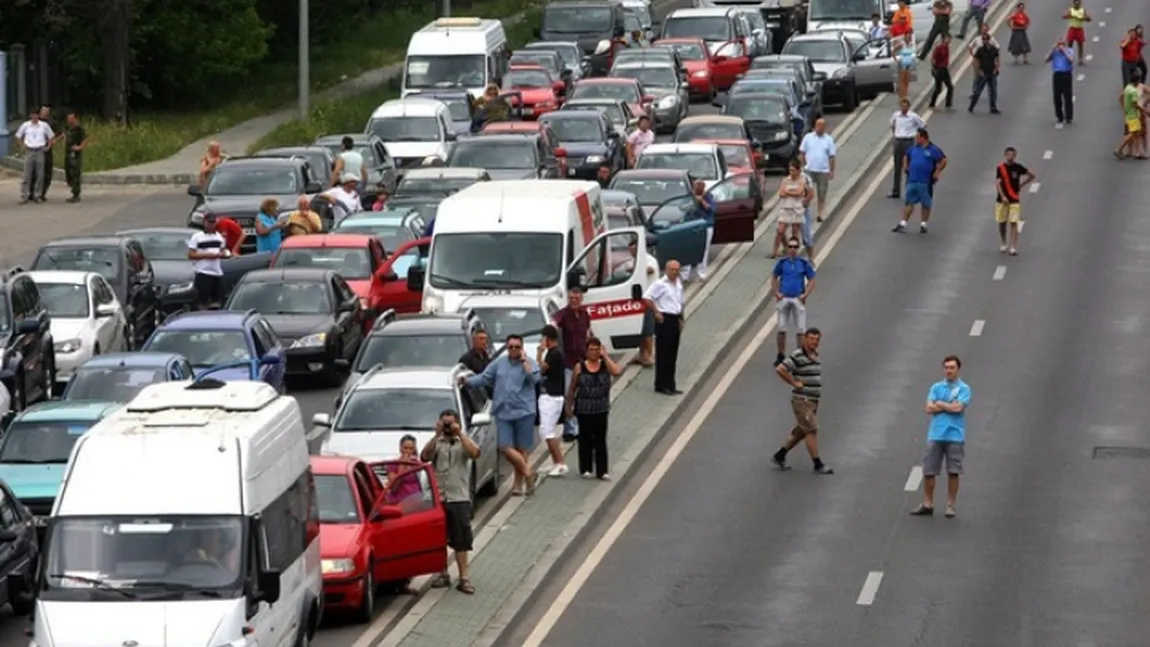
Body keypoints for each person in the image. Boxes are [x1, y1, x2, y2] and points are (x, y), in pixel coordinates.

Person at [461, 334, 540, 496]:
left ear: (522, 348)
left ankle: (518, 485)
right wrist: (467, 382)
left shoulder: (530, 362)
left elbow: (535, 379)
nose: (513, 350)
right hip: (503, 411)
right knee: (504, 447)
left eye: (517, 347)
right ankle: (528, 473)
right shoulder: (499, 363)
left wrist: (524, 362)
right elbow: (485, 378)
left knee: (521, 449)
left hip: (524, 412)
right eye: (510, 347)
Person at [421, 410, 482, 595]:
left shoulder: (463, 441)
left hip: (459, 497)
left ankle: (464, 577)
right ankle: (442, 573)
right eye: (444, 423)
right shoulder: (437, 443)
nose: (447, 426)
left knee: (461, 540)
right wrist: (436, 435)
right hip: (440, 498)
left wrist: (460, 434)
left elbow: (475, 453)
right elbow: (424, 456)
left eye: (450, 423)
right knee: (439, 539)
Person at [910, 355, 971, 518]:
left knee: (953, 471)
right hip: (936, 434)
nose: (948, 370)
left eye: (952, 367)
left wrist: (941, 404)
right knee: (929, 470)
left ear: (958, 369)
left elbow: (958, 408)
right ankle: (928, 503)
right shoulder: (936, 387)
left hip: (955, 435)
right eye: (946, 367)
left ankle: (951, 505)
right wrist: (948, 406)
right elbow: (928, 408)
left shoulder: (964, 388)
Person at [772, 327, 832, 474]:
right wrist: (794, 383)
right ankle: (818, 464)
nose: (814, 342)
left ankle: (780, 455)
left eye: (817, 339)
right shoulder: (797, 355)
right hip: (802, 400)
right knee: (811, 429)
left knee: (801, 431)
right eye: (811, 339)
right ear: (805, 338)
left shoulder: (814, 355)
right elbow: (781, 369)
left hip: (812, 401)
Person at [566, 337, 622, 480]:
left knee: (600, 440)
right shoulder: (580, 367)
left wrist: (605, 356)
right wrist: (569, 407)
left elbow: (616, 371)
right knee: (585, 439)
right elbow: (572, 388)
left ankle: (602, 470)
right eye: (591, 350)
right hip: (584, 409)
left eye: (597, 350)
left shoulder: (604, 365)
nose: (594, 353)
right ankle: (586, 467)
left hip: (601, 408)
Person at [552, 287, 593, 441]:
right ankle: (569, 429)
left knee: (583, 394)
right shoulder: (564, 314)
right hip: (569, 361)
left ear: (581, 299)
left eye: (576, 298)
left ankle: (582, 426)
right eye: (571, 298)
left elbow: (588, 332)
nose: (574, 301)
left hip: (583, 360)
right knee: (568, 393)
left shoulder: (584, 315)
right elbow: (554, 322)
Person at [771, 236, 816, 366]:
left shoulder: (803, 263)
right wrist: (776, 293)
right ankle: (781, 355)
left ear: (798, 248)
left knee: (801, 329)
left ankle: (799, 355)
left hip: (798, 298)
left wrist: (805, 294)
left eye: (795, 247)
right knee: (781, 328)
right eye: (790, 246)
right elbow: (774, 277)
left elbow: (812, 279)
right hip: (784, 298)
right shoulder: (782, 263)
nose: (792, 249)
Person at [893, 128, 947, 234]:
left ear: (923, 137)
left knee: (926, 203)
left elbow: (943, 160)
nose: (916, 140)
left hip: (925, 181)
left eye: (918, 137)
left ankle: (923, 224)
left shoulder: (933, 149)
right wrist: (905, 165)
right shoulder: (913, 149)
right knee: (909, 201)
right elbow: (906, 156)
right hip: (912, 179)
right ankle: (903, 223)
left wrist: (937, 171)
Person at [644, 260, 685, 395]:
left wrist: (681, 318)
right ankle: (661, 384)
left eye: (677, 269)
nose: (675, 272)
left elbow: (680, 301)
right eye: (672, 269)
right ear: (666, 270)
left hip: (675, 318)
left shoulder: (678, 284)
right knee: (663, 353)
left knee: (673, 353)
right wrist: (656, 312)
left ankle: (671, 383)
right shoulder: (660, 284)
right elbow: (647, 297)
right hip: (664, 319)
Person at [617, 239, 657, 366]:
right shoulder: (635, 261)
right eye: (630, 249)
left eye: (633, 249)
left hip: (649, 300)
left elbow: (650, 270)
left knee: (648, 330)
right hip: (639, 300)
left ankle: (650, 356)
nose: (631, 252)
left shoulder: (648, 259)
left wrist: (636, 270)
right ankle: (642, 355)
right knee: (639, 329)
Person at [536, 325, 568, 477]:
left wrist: (539, 353)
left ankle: (560, 463)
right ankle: (555, 462)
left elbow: (542, 369)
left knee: (546, 430)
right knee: (548, 430)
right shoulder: (554, 353)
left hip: (552, 397)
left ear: (547, 339)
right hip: (550, 396)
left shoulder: (554, 354)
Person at [994, 146, 1036, 256]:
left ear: (1015, 156)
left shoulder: (1018, 167)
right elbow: (998, 183)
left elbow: (1032, 175)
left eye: (1012, 155)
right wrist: (1003, 196)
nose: (1010, 157)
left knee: (1013, 222)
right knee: (1002, 222)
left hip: (1014, 199)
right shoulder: (1000, 168)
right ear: (1005, 155)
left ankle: (1013, 247)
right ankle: (1004, 242)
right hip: (1002, 200)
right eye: (1008, 155)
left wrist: (1022, 185)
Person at [187, 214, 230, 309]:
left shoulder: (219, 237)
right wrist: (208, 255)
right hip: (203, 272)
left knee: (220, 299)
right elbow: (191, 254)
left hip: (217, 272)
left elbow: (222, 250)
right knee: (202, 300)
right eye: (209, 222)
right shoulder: (197, 237)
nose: (211, 225)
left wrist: (224, 254)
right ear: (204, 222)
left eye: (213, 222)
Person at [798, 118, 836, 222]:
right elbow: (802, 152)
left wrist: (832, 171)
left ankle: (820, 213)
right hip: (809, 170)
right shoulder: (808, 138)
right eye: (818, 125)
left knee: (822, 193)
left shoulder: (829, 140)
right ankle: (804, 212)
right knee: (806, 193)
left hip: (823, 171)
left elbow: (832, 156)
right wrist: (802, 167)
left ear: (825, 127)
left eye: (822, 126)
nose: (820, 128)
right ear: (815, 126)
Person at [14, 109, 54, 205]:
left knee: (40, 174)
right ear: (30, 115)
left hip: (40, 150)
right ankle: (24, 195)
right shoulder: (26, 125)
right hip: (30, 150)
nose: (34, 117)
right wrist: (22, 146)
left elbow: (51, 136)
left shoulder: (44, 126)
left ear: (38, 116)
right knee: (27, 174)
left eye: (36, 115)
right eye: (33, 115)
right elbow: (18, 135)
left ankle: (37, 195)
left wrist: (48, 146)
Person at [774, 159, 812, 257]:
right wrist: (792, 193)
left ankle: (793, 252)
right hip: (786, 208)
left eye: (793, 170)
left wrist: (788, 192)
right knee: (780, 230)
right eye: (789, 170)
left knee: (795, 232)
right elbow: (781, 193)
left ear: (798, 170)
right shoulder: (786, 180)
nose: (791, 172)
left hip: (797, 209)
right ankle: (777, 251)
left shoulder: (803, 179)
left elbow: (800, 192)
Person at [890, 99, 926, 199]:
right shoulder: (896, 115)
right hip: (898, 141)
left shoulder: (913, 116)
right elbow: (892, 125)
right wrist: (895, 135)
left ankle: (909, 191)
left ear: (908, 107)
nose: (904, 108)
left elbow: (923, 124)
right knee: (897, 167)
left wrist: (916, 135)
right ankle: (896, 191)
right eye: (902, 106)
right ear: (900, 106)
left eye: (906, 106)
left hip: (908, 142)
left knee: (909, 167)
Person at [681, 180, 716, 283]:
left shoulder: (709, 196)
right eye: (696, 187)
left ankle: (702, 274)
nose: (698, 189)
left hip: (706, 226)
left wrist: (702, 201)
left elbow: (712, 210)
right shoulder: (689, 197)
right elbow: (683, 208)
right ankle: (684, 275)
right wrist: (694, 201)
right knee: (688, 249)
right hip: (691, 225)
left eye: (700, 187)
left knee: (704, 250)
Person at [1115, 71, 1148, 159]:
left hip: (1128, 114)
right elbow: (1135, 105)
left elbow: (1121, 98)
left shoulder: (1127, 88)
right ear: (1138, 80)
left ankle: (1137, 152)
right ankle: (1119, 149)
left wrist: (1124, 108)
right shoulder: (1133, 91)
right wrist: (1145, 111)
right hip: (1133, 115)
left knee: (1136, 133)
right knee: (1133, 133)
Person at [969, 31, 1001, 114]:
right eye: (983, 40)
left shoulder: (994, 50)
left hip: (992, 73)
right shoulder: (980, 50)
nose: (985, 41)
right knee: (977, 91)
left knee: (993, 91)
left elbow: (997, 59)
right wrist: (979, 71)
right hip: (983, 73)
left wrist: (996, 68)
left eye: (986, 40)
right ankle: (971, 106)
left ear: (989, 40)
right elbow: (976, 61)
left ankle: (993, 107)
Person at [1047, 39, 1076, 124]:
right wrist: (1052, 50)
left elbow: (1071, 60)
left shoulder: (1069, 51)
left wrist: (1064, 51)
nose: (1061, 46)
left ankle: (1069, 116)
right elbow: (1046, 59)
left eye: (1062, 44)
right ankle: (1059, 115)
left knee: (1067, 95)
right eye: (1059, 44)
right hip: (1057, 74)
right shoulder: (1055, 52)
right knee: (1057, 96)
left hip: (1066, 74)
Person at [62, 111, 89, 203]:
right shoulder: (67, 127)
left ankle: (76, 194)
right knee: (68, 171)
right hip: (68, 153)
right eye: (68, 118)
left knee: (75, 173)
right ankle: (73, 188)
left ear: (75, 118)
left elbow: (86, 138)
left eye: (71, 118)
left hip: (75, 154)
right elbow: (64, 135)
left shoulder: (79, 128)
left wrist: (80, 147)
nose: (69, 120)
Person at [929, 34, 955, 109]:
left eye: (950, 39)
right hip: (941, 69)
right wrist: (934, 69)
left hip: (944, 68)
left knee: (938, 88)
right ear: (943, 39)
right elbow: (933, 59)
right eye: (948, 39)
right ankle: (948, 104)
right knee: (949, 87)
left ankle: (932, 103)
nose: (949, 40)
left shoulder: (946, 47)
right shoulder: (939, 47)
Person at [37, 106, 58, 201]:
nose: (45, 113)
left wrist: (54, 141)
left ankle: (43, 192)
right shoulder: (35, 122)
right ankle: (34, 192)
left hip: (47, 150)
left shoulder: (51, 123)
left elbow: (60, 134)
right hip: (36, 150)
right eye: (44, 111)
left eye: (47, 111)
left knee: (47, 172)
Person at [1062, 0, 1091, 65]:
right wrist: (1069, 16)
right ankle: (1069, 58)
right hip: (1072, 28)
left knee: (1080, 44)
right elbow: (1064, 16)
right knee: (1070, 44)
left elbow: (1089, 19)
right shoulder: (1071, 10)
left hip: (1079, 29)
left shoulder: (1082, 10)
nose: (1077, 3)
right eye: (1076, 2)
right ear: (1073, 3)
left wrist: (1084, 18)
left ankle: (1080, 59)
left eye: (1078, 2)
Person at [895, 36, 916, 100]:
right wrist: (896, 60)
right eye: (907, 36)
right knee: (902, 81)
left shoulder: (910, 44)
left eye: (910, 36)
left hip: (909, 64)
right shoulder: (901, 44)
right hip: (902, 64)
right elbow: (893, 51)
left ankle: (904, 95)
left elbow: (912, 54)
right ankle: (902, 96)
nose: (909, 37)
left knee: (907, 81)